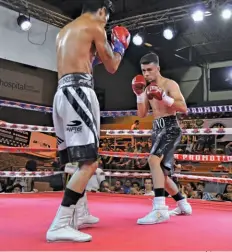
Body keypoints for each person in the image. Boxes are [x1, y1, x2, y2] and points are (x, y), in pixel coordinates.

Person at [46, 0, 130, 242]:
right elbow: (112, 65)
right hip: (79, 93)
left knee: (76, 161)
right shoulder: (95, 26)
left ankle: (80, 214)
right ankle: (60, 223)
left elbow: (88, 60)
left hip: (62, 95)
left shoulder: (65, 30)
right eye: (106, 16)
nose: (106, 22)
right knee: (90, 163)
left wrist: (104, 51)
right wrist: (121, 47)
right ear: (101, 11)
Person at [131, 52, 192, 225]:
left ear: (158, 68)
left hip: (171, 127)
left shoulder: (169, 84)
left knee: (153, 160)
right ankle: (182, 204)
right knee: (162, 175)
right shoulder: (145, 87)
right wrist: (138, 94)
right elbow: (142, 114)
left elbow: (183, 108)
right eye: (143, 70)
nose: (146, 74)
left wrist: (164, 97)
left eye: (149, 69)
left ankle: (159, 209)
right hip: (157, 129)